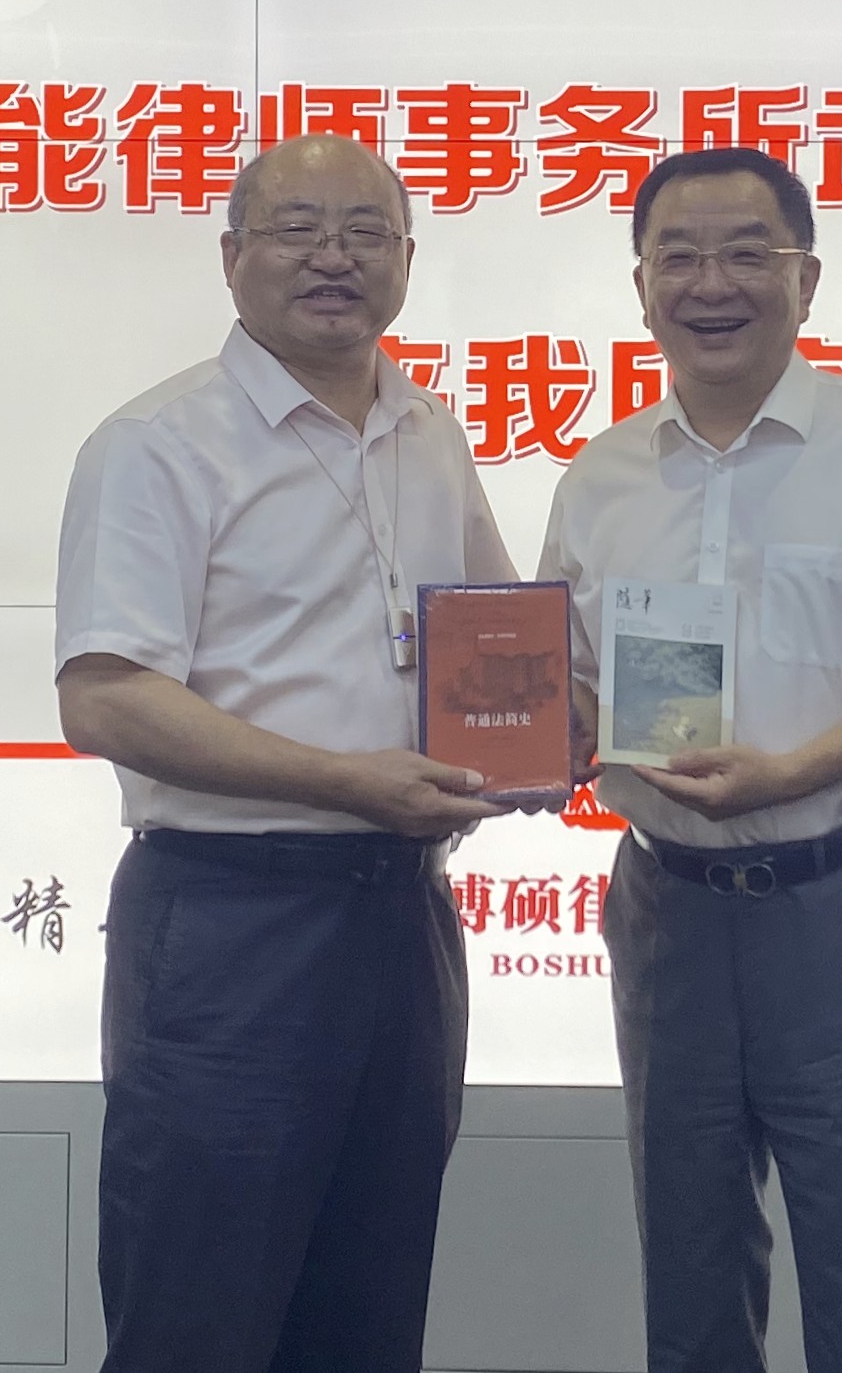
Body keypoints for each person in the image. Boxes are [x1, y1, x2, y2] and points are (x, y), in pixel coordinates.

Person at [541, 144, 842, 1373]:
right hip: (669, 910)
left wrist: (796, 771)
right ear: (640, 286)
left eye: (748, 252)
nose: (712, 283)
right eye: (679, 255)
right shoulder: (601, 474)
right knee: (689, 1275)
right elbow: (568, 675)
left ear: (806, 280)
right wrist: (535, 734)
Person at [54, 132, 515, 1373]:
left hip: (402, 920)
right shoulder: (159, 442)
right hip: (230, 923)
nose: (333, 257)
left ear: (406, 257)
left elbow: (493, 642)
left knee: (368, 1310)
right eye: (297, 228)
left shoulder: (429, 432)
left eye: (365, 232)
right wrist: (342, 779)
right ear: (231, 256)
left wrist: (569, 725)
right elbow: (105, 698)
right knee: (197, 1314)